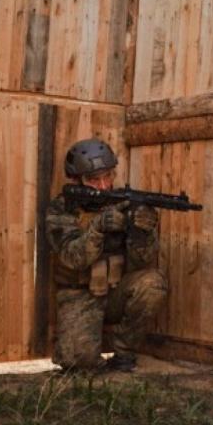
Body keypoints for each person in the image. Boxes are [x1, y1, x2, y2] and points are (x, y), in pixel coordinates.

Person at [45, 138, 168, 372]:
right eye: (94, 179)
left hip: (116, 292)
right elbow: (73, 258)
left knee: (152, 283)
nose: (103, 185)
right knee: (78, 363)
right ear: (76, 179)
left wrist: (142, 232)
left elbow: (143, 260)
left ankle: (124, 354)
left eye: (108, 176)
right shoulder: (62, 209)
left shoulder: (125, 203)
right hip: (80, 294)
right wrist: (98, 228)